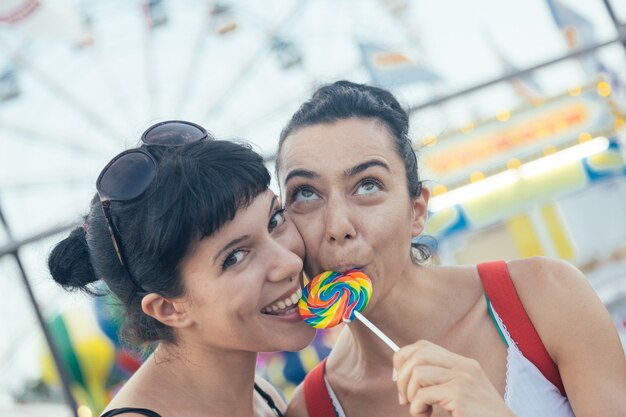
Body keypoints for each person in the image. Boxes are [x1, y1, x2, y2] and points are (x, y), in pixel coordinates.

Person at [275, 81, 626, 417]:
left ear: (417, 211)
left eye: (367, 186)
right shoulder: (313, 408)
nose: (338, 227)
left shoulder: (544, 294)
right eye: (306, 193)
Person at [48, 120, 316, 417]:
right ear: (167, 308)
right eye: (235, 257)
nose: (289, 263)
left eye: (275, 220)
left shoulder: (263, 397)